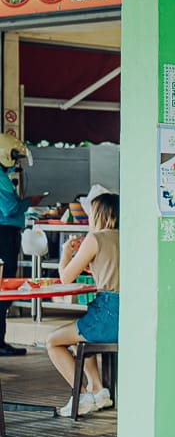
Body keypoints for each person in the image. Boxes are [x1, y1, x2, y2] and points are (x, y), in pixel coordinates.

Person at [46, 191, 119, 416]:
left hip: (107, 313)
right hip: (129, 312)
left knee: (53, 342)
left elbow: (66, 277)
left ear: (99, 214)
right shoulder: (129, 235)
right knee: (78, 340)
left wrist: (66, 253)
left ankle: (82, 395)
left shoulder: (95, 238)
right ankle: (99, 390)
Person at [0, 134, 31, 357]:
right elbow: (9, 209)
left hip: (6, 234)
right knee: (4, 286)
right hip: (5, 235)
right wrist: (29, 202)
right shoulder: (0, 178)